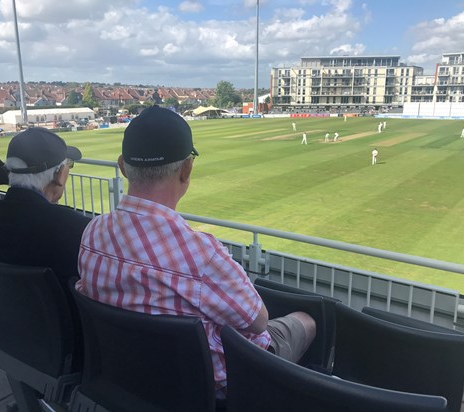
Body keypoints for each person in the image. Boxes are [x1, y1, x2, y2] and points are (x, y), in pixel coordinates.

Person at [76, 106, 316, 398]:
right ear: (187, 169)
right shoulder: (202, 255)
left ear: (123, 166)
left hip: (130, 379)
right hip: (212, 390)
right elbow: (258, 320)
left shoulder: (93, 233)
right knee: (308, 320)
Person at [0, 127, 91, 284]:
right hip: (61, 308)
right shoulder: (75, 227)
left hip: (8, 307)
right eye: (69, 165)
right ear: (60, 174)